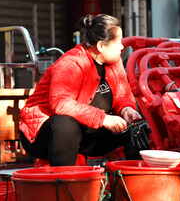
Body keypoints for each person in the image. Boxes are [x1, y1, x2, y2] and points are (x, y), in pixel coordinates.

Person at [19, 14, 144, 166]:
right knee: (65, 123)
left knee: (138, 129)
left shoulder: (113, 61)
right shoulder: (71, 63)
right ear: (101, 46)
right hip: (45, 136)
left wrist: (126, 109)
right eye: (118, 42)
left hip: (86, 132)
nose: (122, 46)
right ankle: (65, 182)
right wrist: (103, 118)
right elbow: (61, 104)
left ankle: (135, 180)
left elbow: (123, 95)